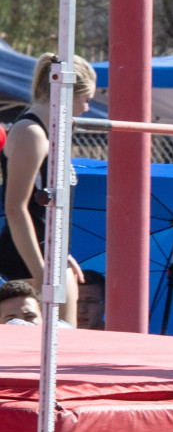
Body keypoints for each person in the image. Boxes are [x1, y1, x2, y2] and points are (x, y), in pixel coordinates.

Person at [0, 53, 96, 327]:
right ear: (65, 91)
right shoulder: (31, 134)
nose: (87, 108)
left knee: (64, 350)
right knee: (40, 354)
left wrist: (61, 252)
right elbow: (16, 208)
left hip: (50, 254)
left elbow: (43, 206)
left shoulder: (52, 134)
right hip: (28, 260)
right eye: (86, 99)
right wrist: (40, 273)